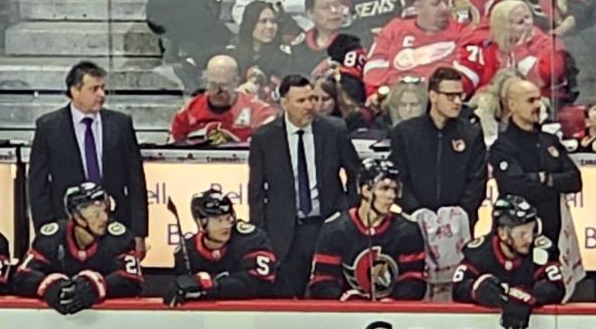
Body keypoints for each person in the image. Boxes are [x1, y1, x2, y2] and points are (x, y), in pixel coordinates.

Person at [244, 74, 363, 291]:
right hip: (286, 232)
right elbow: (256, 192)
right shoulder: (264, 138)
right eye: (301, 101)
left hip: (328, 224)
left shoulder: (334, 130)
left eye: (312, 99)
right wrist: (260, 235)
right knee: (288, 293)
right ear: (284, 103)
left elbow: (355, 174)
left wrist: (348, 212)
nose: (309, 106)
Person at [26, 60, 150, 242]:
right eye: (94, 89)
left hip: (115, 224)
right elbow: (38, 184)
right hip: (67, 226)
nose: (101, 94)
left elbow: (135, 181)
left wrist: (139, 232)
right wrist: (46, 230)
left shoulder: (120, 124)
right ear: (75, 91)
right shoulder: (49, 127)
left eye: (103, 88)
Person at [389, 64, 488, 286]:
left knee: (459, 285)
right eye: (449, 95)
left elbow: (478, 179)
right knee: (413, 284)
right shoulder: (405, 133)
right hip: (415, 224)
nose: (456, 101)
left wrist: (460, 212)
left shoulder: (471, 133)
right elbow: (399, 177)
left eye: (459, 95)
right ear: (433, 96)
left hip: (459, 226)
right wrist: (416, 211)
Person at [489, 73, 587, 285]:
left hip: (551, 236)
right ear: (512, 105)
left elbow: (575, 181)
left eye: (539, 99)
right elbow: (515, 186)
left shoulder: (548, 141)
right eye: (530, 100)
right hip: (516, 240)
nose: (538, 105)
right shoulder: (503, 146)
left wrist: (543, 179)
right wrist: (551, 183)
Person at [308, 158, 432, 301]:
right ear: (365, 190)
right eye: (384, 189)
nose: (391, 196)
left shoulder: (407, 230)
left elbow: (414, 281)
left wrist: (395, 302)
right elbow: (322, 280)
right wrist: (345, 300)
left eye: (394, 190)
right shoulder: (335, 229)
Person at [20, 181, 144, 313]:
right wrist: (51, 286)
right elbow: (22, 276)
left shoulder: (119, 239)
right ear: (77, 217)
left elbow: (133, 280)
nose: (104, 218)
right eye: (96, 214)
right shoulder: (51, 239)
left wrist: (95, 286)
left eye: (105, 211)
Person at [458, 195, 568, 329]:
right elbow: (458, 287)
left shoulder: (542, 250)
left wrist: (525, 297)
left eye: (532, 231)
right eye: (522, 233)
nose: (529, 239)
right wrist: (476, 289)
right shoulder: (478, 253)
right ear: (503, 233)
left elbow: (556, 287)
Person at [157, 186, 279, 305]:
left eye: (228, 218)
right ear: (201, 222)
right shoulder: (187, 251)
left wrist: (211, 284)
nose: (226, 225)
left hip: (256, 317)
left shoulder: (252, 239)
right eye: (218, 220)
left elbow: (259, 283)